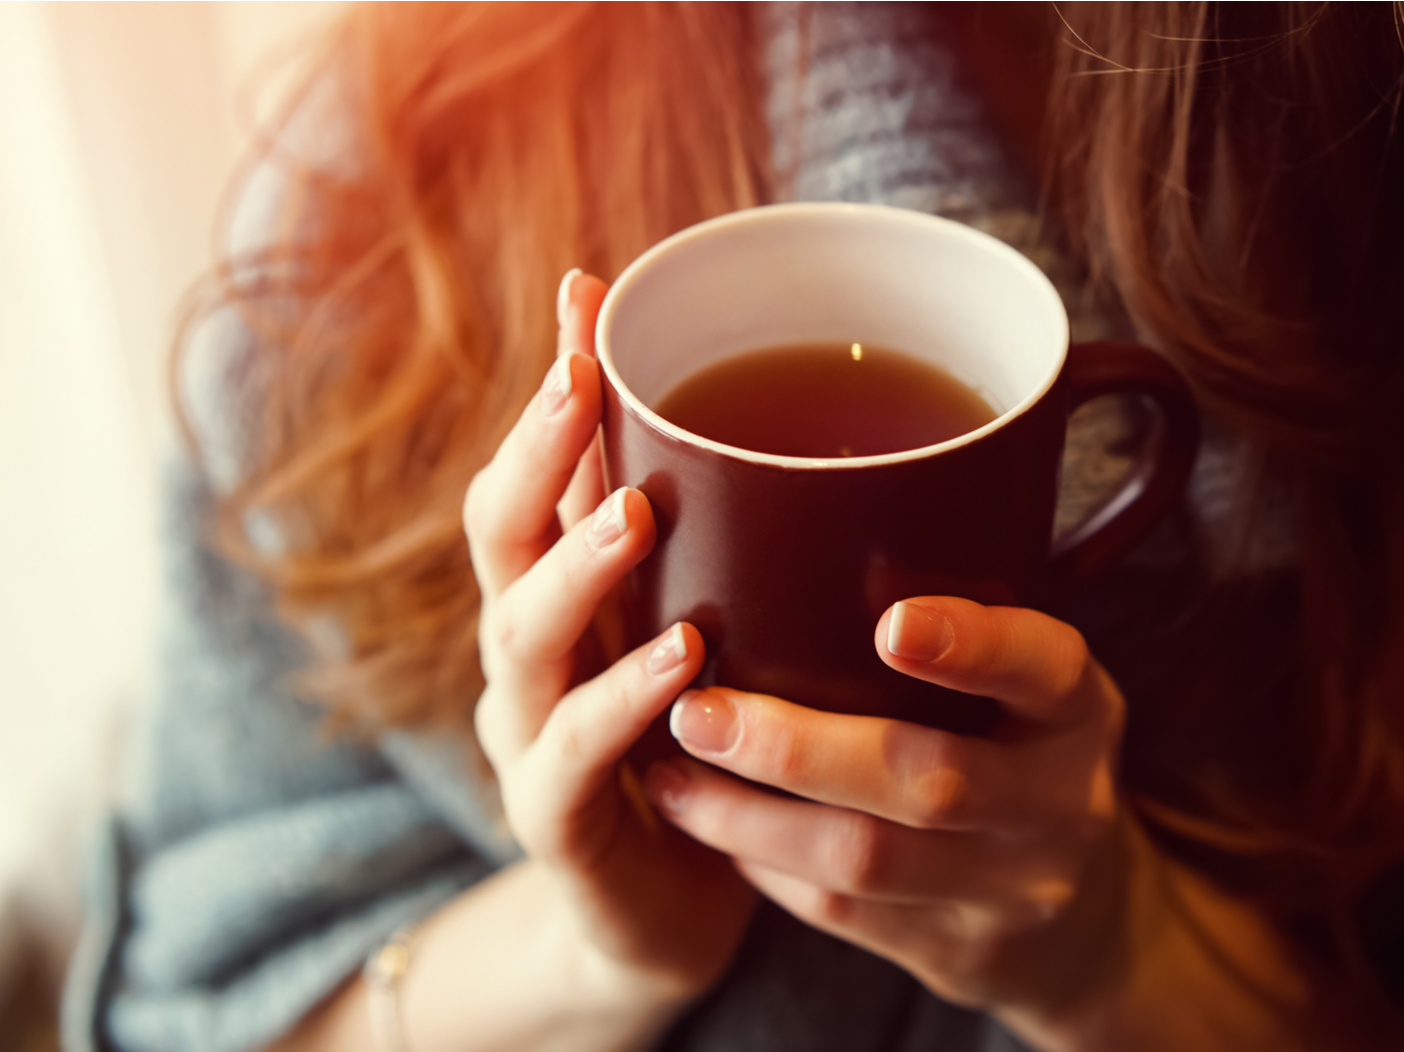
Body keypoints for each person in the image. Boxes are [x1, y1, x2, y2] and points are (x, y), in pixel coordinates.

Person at [62, 3, 1404, 1050]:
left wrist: (1120, 955)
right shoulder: (389, 179)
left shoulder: (1351, 148)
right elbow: (188, 1011)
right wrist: (598, 948)